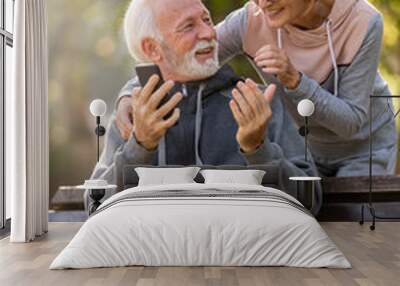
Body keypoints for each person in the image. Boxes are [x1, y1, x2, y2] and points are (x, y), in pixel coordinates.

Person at [88, 0, 322, 214]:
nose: (209, 32)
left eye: (207, 20)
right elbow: (94, 206)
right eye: (188, 26)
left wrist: (258, 149)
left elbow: (311, 202)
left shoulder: (258, 104)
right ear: (152, 49)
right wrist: (140, 147)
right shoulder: (133, 114)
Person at [116, 0, 398, 177]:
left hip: (360, 148)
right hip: (300, 149)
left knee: (352, 233)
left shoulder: (363, 21)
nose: (264, 3)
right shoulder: (251, 20)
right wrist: (129, 93)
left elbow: (352, 123)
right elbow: (182, 58)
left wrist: (295, 80)